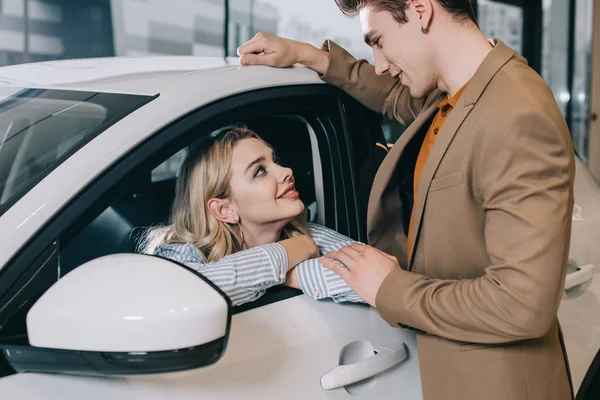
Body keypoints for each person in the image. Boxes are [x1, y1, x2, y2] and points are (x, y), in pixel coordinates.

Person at [237, 1, 575, 399]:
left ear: (419, 10)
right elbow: (391, 95)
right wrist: (306, 55)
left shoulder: (516, 115)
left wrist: (390, 288)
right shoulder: (456, 94)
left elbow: (521, 305)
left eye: (378, 41)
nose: (379, 63)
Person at [141, 127, 364, 307]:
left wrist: (283, 273)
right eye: (259, 171)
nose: (286, 171)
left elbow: (377, 280)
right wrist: (293, 251)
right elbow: (191, 296)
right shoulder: (180, 253)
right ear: (224, 210)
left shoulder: (307, 234)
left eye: (274, 160)